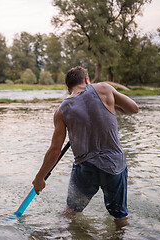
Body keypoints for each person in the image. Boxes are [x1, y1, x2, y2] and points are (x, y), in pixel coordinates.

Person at [32, 66, 139, 226]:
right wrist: (113, 104)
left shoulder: (61, 110)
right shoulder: (104, 88)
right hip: (114, 166)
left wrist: (39, 178)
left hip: (85, 168)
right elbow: (133, 109)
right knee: (120, 217)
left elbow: (55, 149)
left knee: (70, 213)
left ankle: (62, 234)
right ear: (87, 80)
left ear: (68, 89)